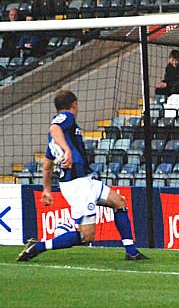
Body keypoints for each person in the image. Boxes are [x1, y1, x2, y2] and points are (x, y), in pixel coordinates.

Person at [17, 90, 148, 262]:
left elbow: (47, 166)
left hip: (85, 181)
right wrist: (68, 150)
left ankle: (131, 251)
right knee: (87, 237)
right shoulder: (66, 119)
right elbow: (54, 127)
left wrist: (47, 190)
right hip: (77, 185)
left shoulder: (56, 141)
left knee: (119, 202)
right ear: (74, 104)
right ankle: (39, 247)